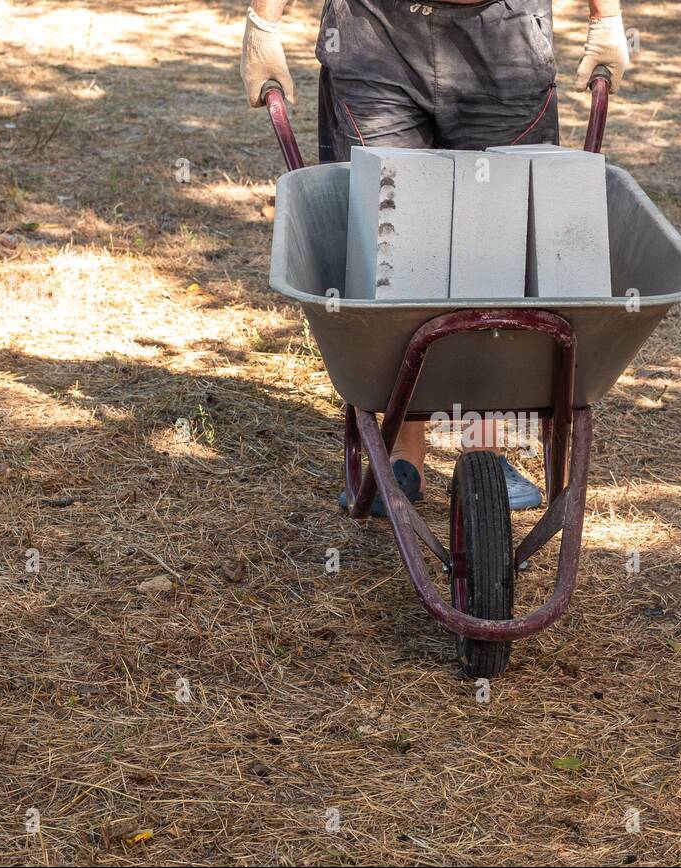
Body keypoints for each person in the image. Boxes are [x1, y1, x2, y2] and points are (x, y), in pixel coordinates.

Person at [241, 0, 630, 515]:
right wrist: (264, 20)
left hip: (504, 33)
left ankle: (485, 446)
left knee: (500, 238)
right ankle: (403, 444)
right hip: (373, 32)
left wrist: (606, 16)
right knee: (393, 242)